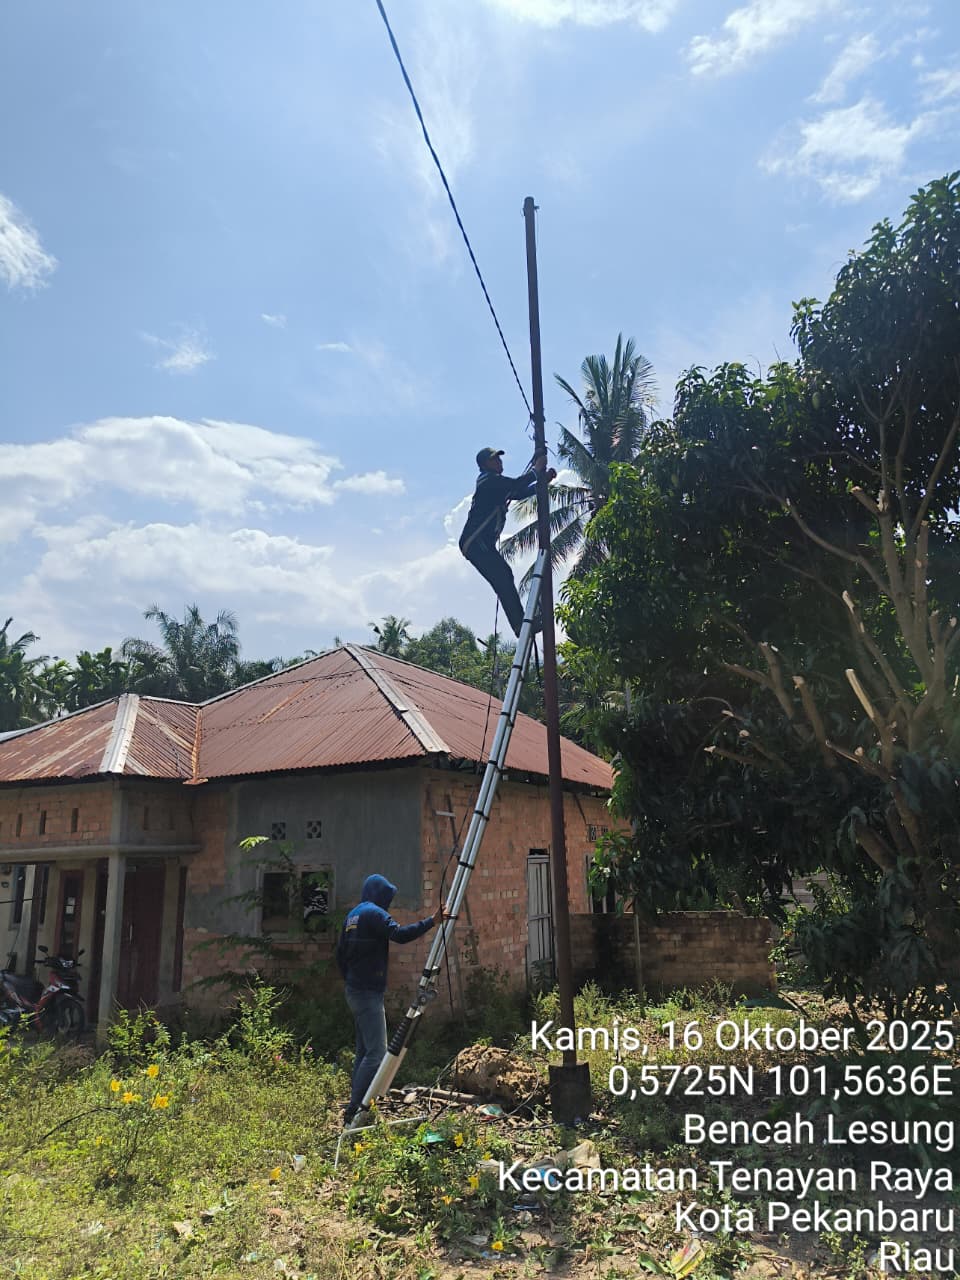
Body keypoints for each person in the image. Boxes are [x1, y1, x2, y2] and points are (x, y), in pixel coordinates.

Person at [336, 874, 444, 1126]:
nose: (389, 903)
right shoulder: (374, 914)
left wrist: (351, 979)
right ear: (380, 895)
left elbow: (340, 955)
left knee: (364, 1051)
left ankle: (359, 1100)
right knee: (376, 1053)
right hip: (367, 992)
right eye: (388, 898)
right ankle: (355, 1109)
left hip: (354, 990)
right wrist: (432, 921)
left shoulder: (352, 916)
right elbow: (400, 935)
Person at [458, 446, 556, 636]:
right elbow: (516, 485)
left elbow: (519, 493)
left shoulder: (495, 485)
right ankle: (520, 624)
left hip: (480, 544)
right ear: (485, 464)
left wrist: (543, 480)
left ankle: (520, 623)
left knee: (504, 576)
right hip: (475, 543)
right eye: (495, 460)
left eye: (499, 459)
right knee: (503, 576)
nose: (500, 462)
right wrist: (537, 470)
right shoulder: (489, 482)